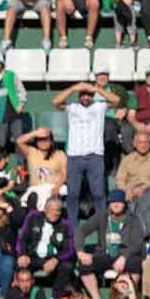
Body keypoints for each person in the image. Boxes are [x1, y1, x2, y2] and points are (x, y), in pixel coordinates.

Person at [55, 81, 116, 229]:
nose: (86, 97)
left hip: (95, 155)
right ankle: (73, 231)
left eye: (88, 94)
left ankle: (103, 228)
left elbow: (116, 100)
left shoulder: (100, 106)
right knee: (73, 195)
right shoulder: (72, 107)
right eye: (83, 94)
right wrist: (73, 88)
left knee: (99, 194)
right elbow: (55, 102)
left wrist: (95, 88)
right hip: (74, 155)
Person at [77, 189, 146, 299]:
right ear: (109, 204)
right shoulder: (101, 216)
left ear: (124, 204)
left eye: (119, 202)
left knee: (135, 263)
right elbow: (81, 231)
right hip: (105, 254)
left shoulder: (133, 220)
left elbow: (138, 242)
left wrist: (124, 257)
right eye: (113, 202)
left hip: (124, 255)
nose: (116, 204)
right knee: (84, 264)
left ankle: (129, 297)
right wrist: (80, 252)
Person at [15, 198, 76, 295]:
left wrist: (56, 259)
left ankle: (56, 298)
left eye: (58, 210)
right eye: (52, 210)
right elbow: (23, 238)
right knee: (18, 264)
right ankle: (20, 297)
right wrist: (22, 254)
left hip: (52, 258)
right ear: (45, 209)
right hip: (33, 256)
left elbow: (69, 249)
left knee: (67, 267)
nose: (55, 213)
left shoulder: (66, 225)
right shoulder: (33, 217)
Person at [117, 131, 150, 233]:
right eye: (140, 142)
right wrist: (126, 190)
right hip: (130, 192)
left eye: (146, 142)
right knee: (119, 196)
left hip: (148, 190)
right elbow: (120, 180)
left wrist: (143, 187)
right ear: (134, 144)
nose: (143, 145)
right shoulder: (127, 160)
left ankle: (149, 230)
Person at [0, 54, 30, 153]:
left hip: (14, 111)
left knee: (19, 140)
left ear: (2, 64)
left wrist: (21, 104)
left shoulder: (11, 75)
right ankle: (1, 164)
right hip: (0, 114)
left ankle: (21, 165)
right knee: (1, 141)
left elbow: (21, 90)